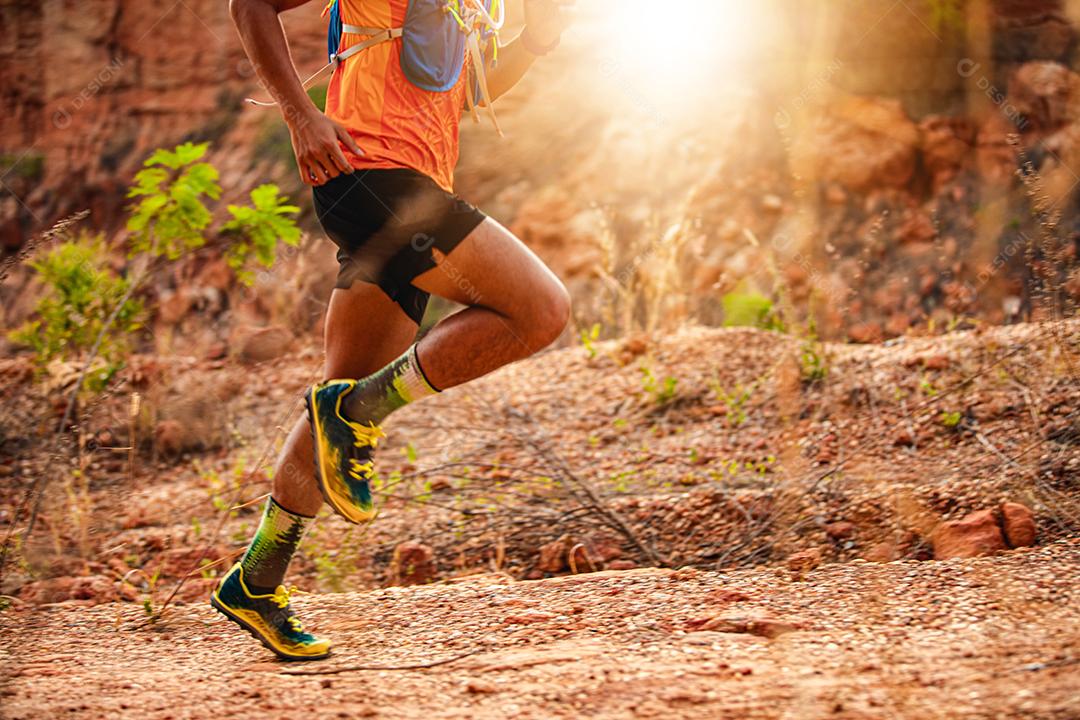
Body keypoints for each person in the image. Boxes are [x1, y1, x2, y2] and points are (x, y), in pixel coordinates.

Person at [211, 0, 571, 660]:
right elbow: (250, 5)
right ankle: (358, 410)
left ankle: (256, 582)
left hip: (404, 180)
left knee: (333, 399)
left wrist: (536, 43)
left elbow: (457, 90)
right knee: (540, 310)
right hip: (372, 171)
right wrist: (301, 116)